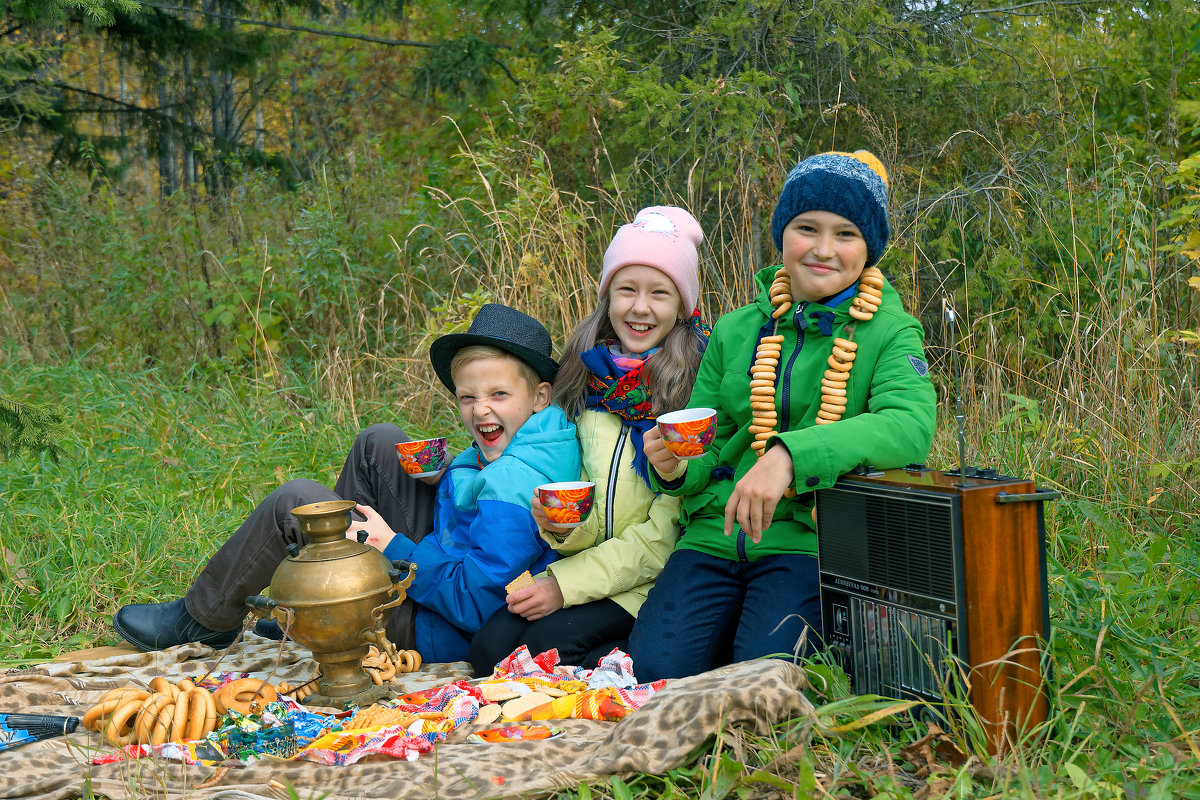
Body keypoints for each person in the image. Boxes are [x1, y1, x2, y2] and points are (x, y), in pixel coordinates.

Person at [113, 303, 582, 663]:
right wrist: (453, 469)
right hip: (442, 565)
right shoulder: (535, 441)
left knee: (297, 500)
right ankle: (326, 598)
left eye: (499, 394)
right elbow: (484, 490)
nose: (481, 410)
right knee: (380, 443)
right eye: (468, 397)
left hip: (438, 627)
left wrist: (393, 545)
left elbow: (478, 603)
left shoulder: (517, 482)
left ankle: (204, 619)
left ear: (540, 394)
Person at [627, 151, 937, 681]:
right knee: (651, 674)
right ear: (782, 233)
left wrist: (789, 457)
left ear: (870, 248)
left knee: (760, 681)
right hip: (711, 537)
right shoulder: (735, 329)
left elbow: (908, 428)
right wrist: (676, 466)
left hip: (806, 544)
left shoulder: (891, 331)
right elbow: (709, 443)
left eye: (846, 234)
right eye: (806, 228)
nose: (822, 250)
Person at [468, 206, 710, 676]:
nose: (640, 308)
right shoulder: (585, 379)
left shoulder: (691, 398)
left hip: (647, 580)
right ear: (607, 298)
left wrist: (563, 585)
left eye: (659, 293)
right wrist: (560, 526)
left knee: (542, 652)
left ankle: (647, 655)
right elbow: (579, 500)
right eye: (627, 290)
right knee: (488, 652)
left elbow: (664, 537)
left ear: (682, 306)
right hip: (586, 565)